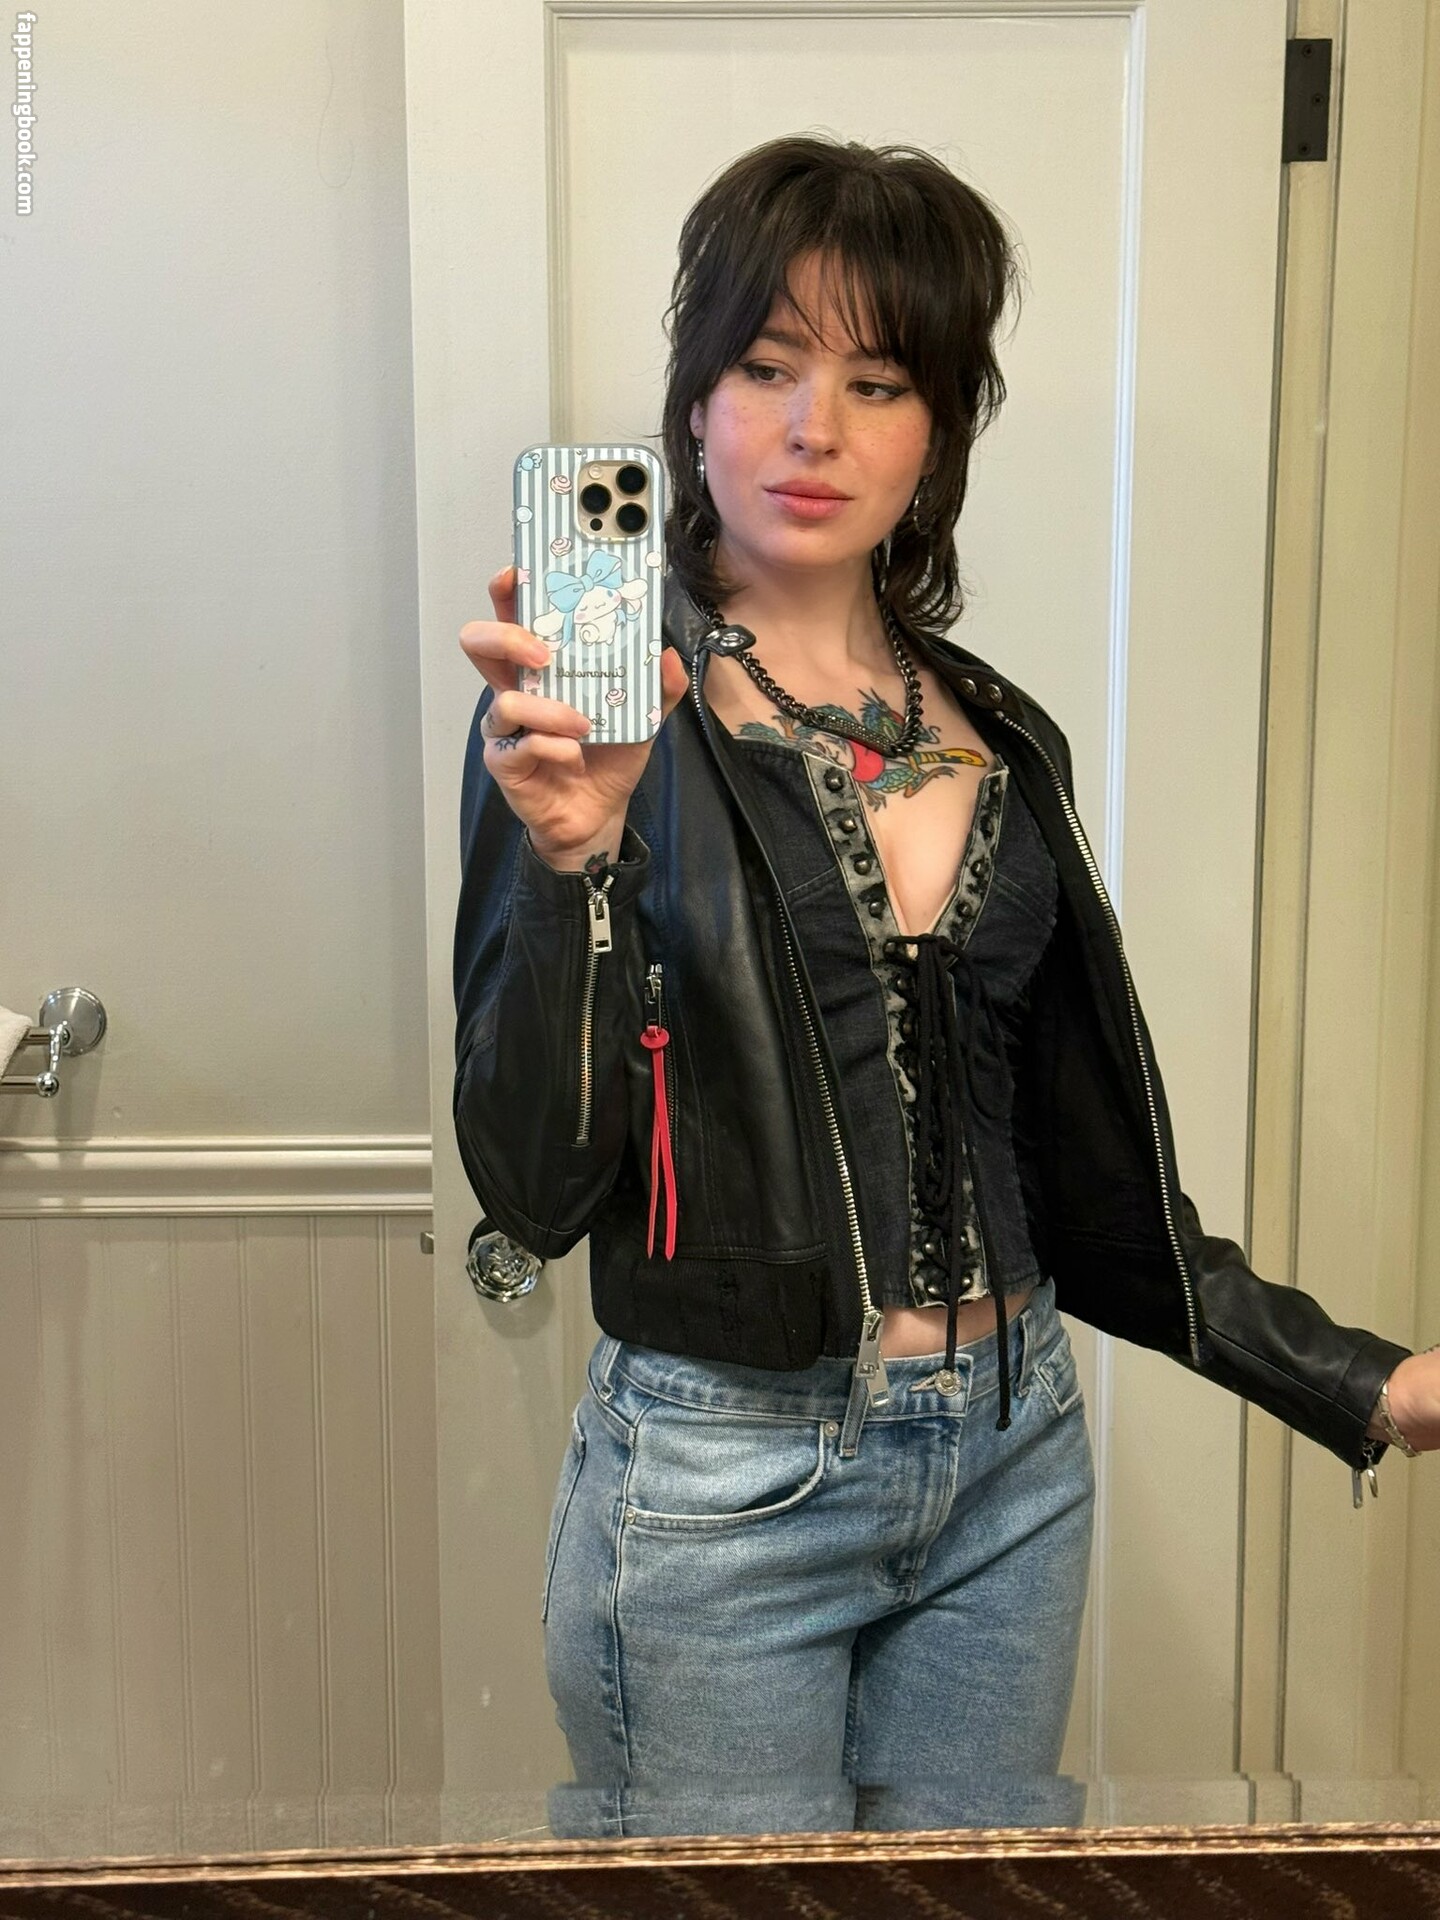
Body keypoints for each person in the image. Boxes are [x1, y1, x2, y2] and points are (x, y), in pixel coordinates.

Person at [452, 134, 1440, 1839]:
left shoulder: (1000, 732)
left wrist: (1363, 1378)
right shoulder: (585, 723)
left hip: (1011, 1458)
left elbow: (1087, 1184)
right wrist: (572, 867)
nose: (813, 427)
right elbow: (534, 1185)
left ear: (940, 434)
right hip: (721, 1481)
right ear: (695, 402)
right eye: (767, 367)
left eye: (878, 381)